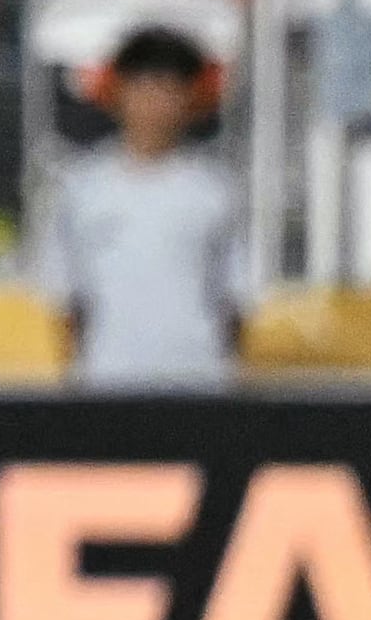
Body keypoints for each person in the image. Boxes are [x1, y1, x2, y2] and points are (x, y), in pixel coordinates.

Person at [32, 26, 242, 386]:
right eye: (144, 87)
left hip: (198, 382)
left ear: (191, 99)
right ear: (119, 92)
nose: (156, 104)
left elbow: (235, 300)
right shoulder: (84, 189)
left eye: (170, 90)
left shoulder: (214, 192)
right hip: (109, 381)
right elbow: (65, 298)